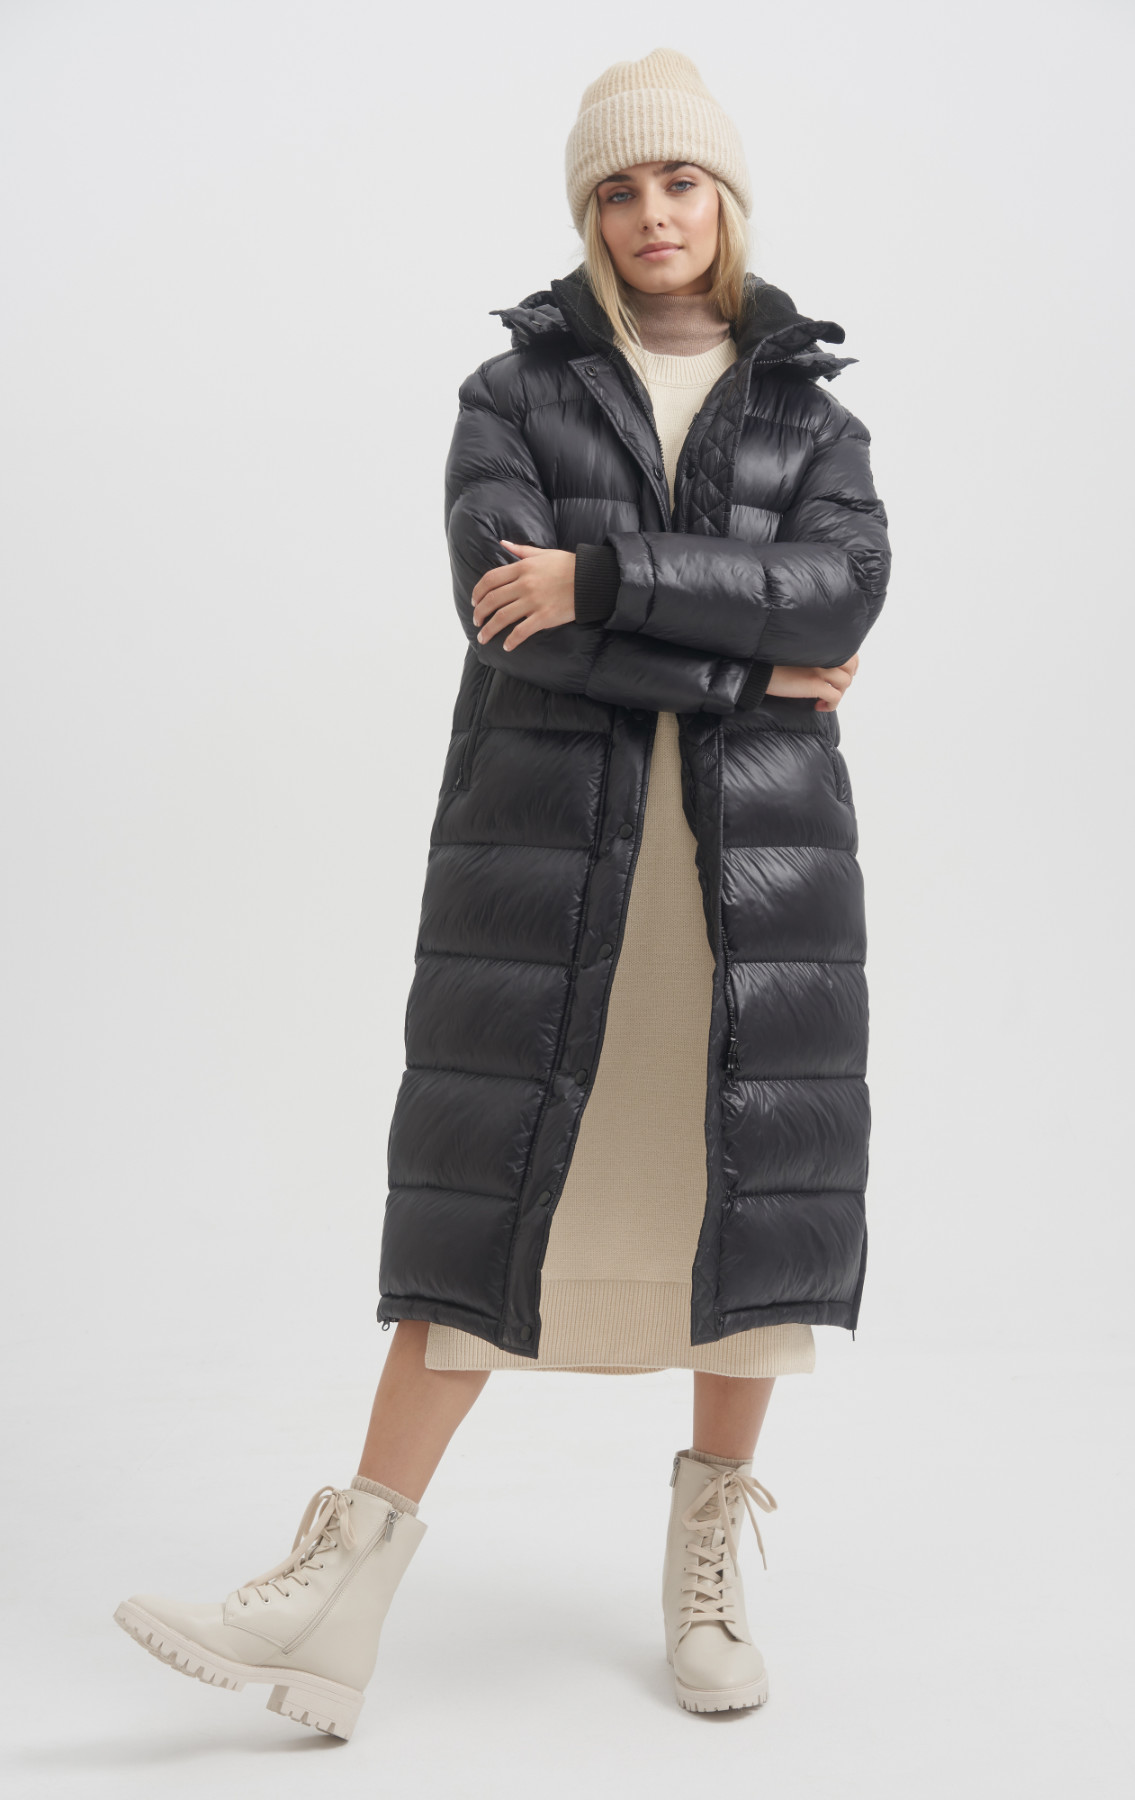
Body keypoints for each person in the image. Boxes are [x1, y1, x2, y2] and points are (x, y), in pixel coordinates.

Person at [114, 47, 892, 1737]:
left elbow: (839, 592)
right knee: (480, 1216)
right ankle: (337, 1597)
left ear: (726, 199)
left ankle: (704, 1564)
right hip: (549, 867)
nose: (652, 213)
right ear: (587, 214)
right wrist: (750, 672)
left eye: (679, 180)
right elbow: (510, 624)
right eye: (619, 189)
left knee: (742, 1208)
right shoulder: (513, 395)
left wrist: (603, 577)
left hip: (751, 886)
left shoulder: (813, 416)